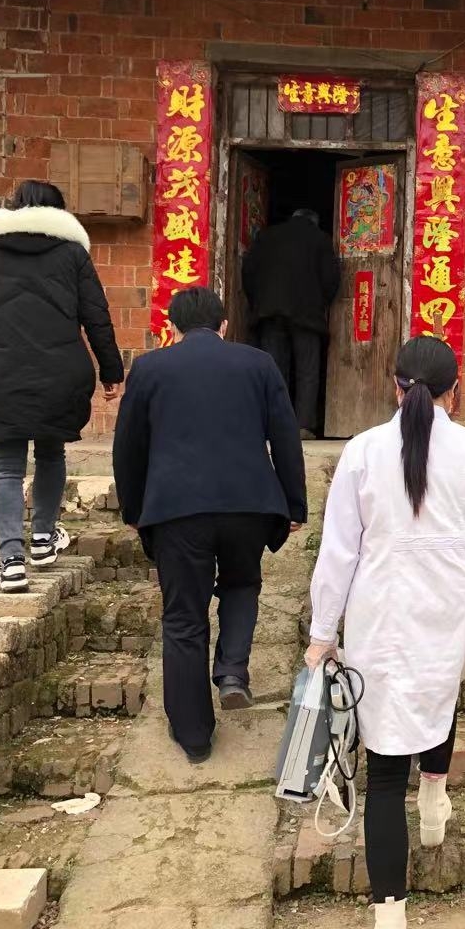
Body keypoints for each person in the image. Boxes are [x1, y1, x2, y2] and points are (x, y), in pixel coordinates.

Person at [305, 336, 465, 929]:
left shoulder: (361, 451)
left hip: (381, 615)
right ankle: (433, 795)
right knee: (439, 690)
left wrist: (322, 634)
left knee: (383, 774)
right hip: (453, 613)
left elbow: (338, 553)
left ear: (395, 387)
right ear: (456, 392)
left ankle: (389, 920)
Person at [112, 288, 307, 764]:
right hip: (248, 504)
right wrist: (293, 504)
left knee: (183, 617)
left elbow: (128, 445)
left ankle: (194, 735)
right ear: (224, 325)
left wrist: (134, 509)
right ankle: (233, 670)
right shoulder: (258, 364)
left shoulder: (150, 369)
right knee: (242, 582)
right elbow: (285, 436)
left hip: (177, 509)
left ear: (172, 328)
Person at [0, 180, 123, 594]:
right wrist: (111, 371)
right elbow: (96, 316)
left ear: (14, 207)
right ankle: (44, 539)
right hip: (60, 369)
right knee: (51, 452)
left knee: (6, 465)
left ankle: (11, 560)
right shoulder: (73, 254)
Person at [242, 207, 342, 439]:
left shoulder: (267, 236)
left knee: (275, 369)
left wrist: (258, 301)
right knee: (307, 370)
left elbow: (248, 271)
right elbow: (331, 278)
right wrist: (321, 303)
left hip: (269, 312)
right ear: (314, 222)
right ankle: (303, 425)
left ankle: (275, 425)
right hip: (307, 315)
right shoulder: (320, 239)